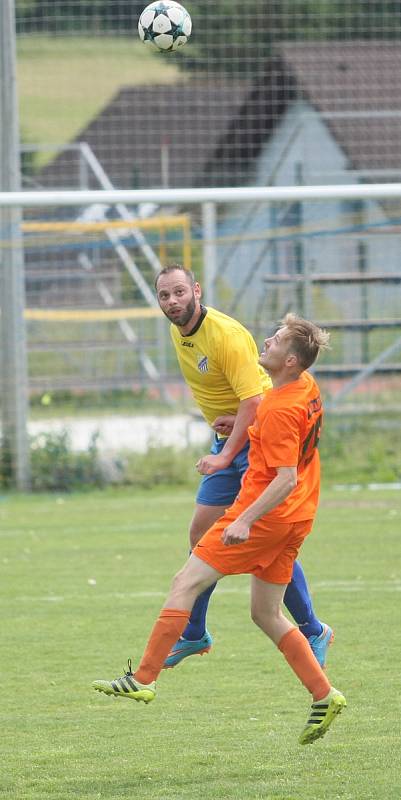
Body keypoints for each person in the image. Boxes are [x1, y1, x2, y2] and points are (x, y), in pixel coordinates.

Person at [93, 313, 346, 745]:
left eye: (278, 339)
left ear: (290, 361)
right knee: (265, 614)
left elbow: (285, 476)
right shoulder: (302, 387)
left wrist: (245, 520)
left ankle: (145, 677)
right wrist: (247, 425)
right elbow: (279, 422)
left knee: (184, 581)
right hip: (298, 518)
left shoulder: (281, 407)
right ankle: (325, 695)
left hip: (264, 515)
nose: (267, 340)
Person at [154, 265, 332, 669]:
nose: (173, 302)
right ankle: (195, 634)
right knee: (200, 535)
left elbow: (254, 401)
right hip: (235, 437)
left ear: (196, 290)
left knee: (266, 544)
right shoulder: (178, 330)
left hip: (252, 445)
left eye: (179, 292)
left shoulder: (228, 336)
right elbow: (245, 402)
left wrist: (223, 455)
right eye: (165, 295)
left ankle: (313, 629)